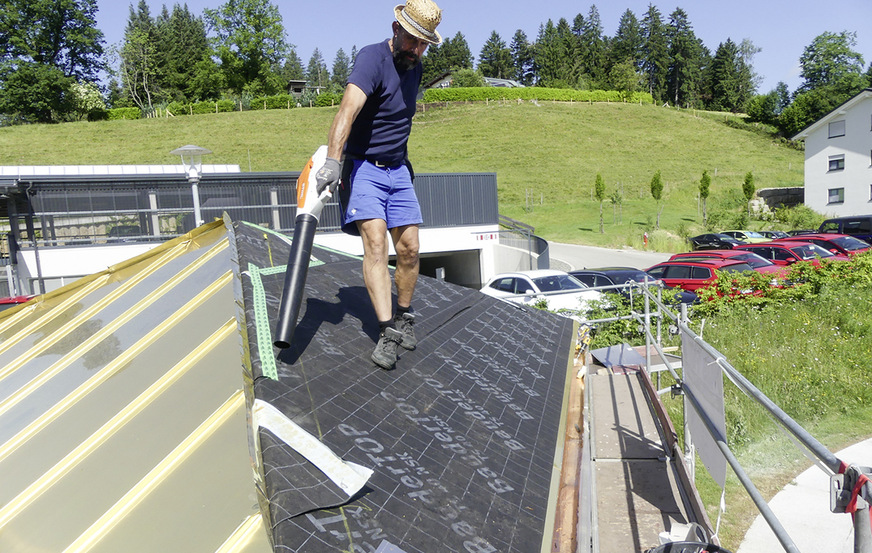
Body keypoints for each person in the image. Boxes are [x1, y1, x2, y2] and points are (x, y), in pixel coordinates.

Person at [314, 0, 443, 370]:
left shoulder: (415, 68)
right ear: (396, 29)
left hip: (398, 169)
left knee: (410, 249)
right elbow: (347, 112)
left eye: (424, 44)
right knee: (375, 242)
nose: (417, 50)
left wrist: (402, 162)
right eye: (413, 41)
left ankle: (403, 315)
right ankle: (387, 331)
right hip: (365, 168)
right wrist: (334, 163)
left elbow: (396, 121)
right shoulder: (371, 59)